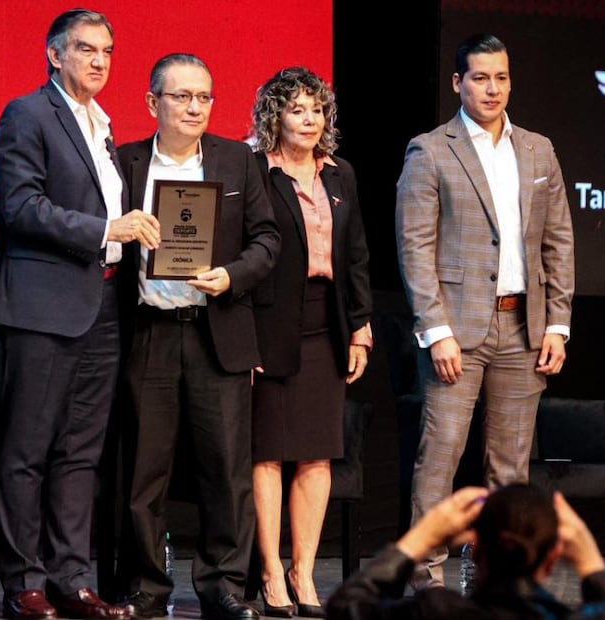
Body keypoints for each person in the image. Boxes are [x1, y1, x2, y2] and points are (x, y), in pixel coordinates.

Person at [0, 8, 158, 620]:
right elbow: (21, 207)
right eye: (86, 49)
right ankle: (23, 583)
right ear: (55, 55)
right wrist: (107, 229)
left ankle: (72, 579)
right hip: (42, 306)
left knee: (81, 453)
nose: (99, 60)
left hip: (102, 304)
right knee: (27, 451)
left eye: (107, 50)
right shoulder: (28, 114)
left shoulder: (100, 123)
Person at [395, 33, 575, 588]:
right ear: (458, 83)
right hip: (456, 330)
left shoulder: (538, 149)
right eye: (479, 77)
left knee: (510, 469)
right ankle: (425, 581)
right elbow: (415, 247)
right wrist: (435, 329)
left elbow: (558, 241)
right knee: (440, 458)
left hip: (525, 327)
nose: (492, 88)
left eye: (501, 77)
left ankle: (501, 579)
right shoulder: (430, 149)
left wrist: (558, 324)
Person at [115, 53, 280, 620]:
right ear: (152, 102)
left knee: (226, 470)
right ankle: (145, 587)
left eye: (204, 97)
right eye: (181, 96)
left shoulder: (238, 160)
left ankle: (224, 587)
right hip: (150, 332)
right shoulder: (126, 162)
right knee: (144, 471)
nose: (194, 107)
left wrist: (232, 275)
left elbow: (267, 240)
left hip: (218, 331)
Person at [246, 67, 373, 618]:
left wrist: (361, 325)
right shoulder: (255, 169)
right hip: (269, 323)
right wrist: (243, 336)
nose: (309, 119)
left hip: (328, 323)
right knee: (269, 452)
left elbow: (356, 254)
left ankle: (303, 572)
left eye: (316, 109)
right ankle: (271, 572)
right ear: (275, 116)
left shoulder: (340, 174)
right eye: (296, 109)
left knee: (317, 453)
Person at [325, 483, 605, 619]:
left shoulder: (436, 612)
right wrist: (590, 562)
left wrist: (421, 537)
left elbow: (345, 609)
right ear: (553, 558)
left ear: (476, 552)